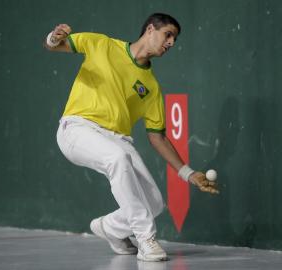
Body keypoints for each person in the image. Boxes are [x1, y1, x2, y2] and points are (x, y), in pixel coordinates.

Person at [44, 13, 219, 262]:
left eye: (175, 39)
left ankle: (110, 228)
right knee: (117, 158)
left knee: (154, 203)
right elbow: (55, 45)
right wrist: (54, 36)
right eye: (168, 35)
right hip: (77, 129)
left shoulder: (151, 87)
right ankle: (146, 238)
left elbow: (157, 137)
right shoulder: (102, 44)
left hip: (116, 138)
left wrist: (188, 173)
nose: (171, 43)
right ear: (150, 29)